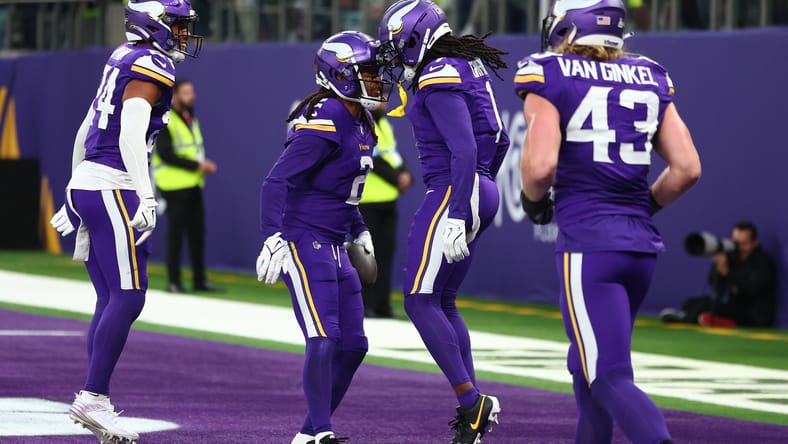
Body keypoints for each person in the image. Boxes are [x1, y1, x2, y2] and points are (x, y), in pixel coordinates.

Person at [514, 1, 701, 443]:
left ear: (566, 25)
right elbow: (687, 169)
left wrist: (533, 201)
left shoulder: (549, 71)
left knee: (608, 376)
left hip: (589, 246)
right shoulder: (650, 75)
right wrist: (646, 205)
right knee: (586, 366)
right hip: (639, 247)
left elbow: (540, 169)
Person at [47, 1, 201, 442]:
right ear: (155, 25)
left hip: (92, 181)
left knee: (108, 296)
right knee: (129, 296)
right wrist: (146, 193)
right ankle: (94, 397)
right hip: (114, 185)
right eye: (178, 25)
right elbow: (130, 133)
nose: (184, 34)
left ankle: (96, 399)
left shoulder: (124, 55)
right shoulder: (152, 62)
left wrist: (72, 187)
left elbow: (85, 128)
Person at [377, 1, 510, 442]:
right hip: (479, 187)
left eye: (397, 46)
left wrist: (457, 209)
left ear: (415, 36)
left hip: (456, 190)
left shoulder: (438, 73)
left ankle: (472, 403)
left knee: (418, 300)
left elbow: (464, 148)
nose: (395, 57)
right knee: (443, 301)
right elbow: (500, 139)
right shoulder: (465, 64)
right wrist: (482, 185)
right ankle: (471, 408)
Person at [256, 31, 386, 444]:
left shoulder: (363, 121)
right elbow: (275, 182)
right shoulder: (326, 118)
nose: (376, 79)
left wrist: (360, 228)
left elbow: (343, 192)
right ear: (340, 74)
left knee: (355, 345)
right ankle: (322, 433)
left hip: (334, 242)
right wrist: (272, 236)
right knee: (324, 337)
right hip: (304, 238)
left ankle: (309, 433)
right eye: (366, 71)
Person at [152, 79, 220, 293]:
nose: (191, 96)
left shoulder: (190, 118)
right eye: (186, 93)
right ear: (174, 96)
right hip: (173, 185)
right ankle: (174, 282)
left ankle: (199, 280)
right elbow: (166, 154)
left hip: (193, 184)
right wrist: (198, 165)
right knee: (176, 235)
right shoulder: (166, 120)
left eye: (192, 92)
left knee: (197, 233)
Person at [660, 222, 777, 327]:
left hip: (754, 313)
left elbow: (751, 289)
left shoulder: (762, 262)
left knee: (708, 305)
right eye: (736, 243)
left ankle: (686, 319)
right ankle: (715, 320)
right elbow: (715, 285)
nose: (739, 247)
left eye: (743, 244)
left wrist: (727, 272)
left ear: (754, 243)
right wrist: (718, 268)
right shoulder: (732, 257)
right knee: (691, 302)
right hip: (733, 307)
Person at [358, 102, 412, 318]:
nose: (386, 102)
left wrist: (406, 172)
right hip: (368, 200)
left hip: (388, 201)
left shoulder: (384, 124)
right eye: (381, 97)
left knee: (385, 255)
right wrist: (396, 178)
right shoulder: (363, 123)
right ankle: (364, 305)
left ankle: (382, 305)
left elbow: (393, 154)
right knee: (365, 257)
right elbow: (372, 158)